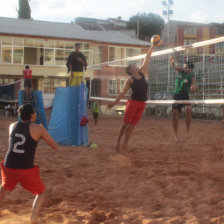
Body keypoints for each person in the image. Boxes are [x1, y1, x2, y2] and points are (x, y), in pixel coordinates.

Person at [0, 103, 58, 224]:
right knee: (41, 193)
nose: (36, 114)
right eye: (35, 113)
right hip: (25, 168)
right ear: (32, 115)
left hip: (8, 165)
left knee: (4, 187)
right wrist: (41, 135)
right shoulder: (38, 128)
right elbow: (54, 146)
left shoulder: (12, 126)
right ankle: (33, 218)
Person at [107, 44, 155, 152]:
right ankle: (118, 142)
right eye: (133, 66)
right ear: (131, 70)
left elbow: (147, 58)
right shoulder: (130, 80)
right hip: (133, 103)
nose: (136, 66)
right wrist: (114, 103)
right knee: (125, 124)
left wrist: (152, 46)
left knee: (132, 126)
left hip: (142, 104)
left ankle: (125, 144)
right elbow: (122, 93)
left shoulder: (142, 72)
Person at [170, 56, 197, 142]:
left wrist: (193, 87)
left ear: (189, 69)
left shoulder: (192, 75)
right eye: (184, 66)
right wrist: (172, 61)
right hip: (177, 95)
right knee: (174, 113)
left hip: (185, 95)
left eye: (185, 67)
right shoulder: (181, 70)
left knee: (188, 109)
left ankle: (187, 132)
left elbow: (194, 84)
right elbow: (174, 66)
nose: (184, 68)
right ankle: (176, 135)